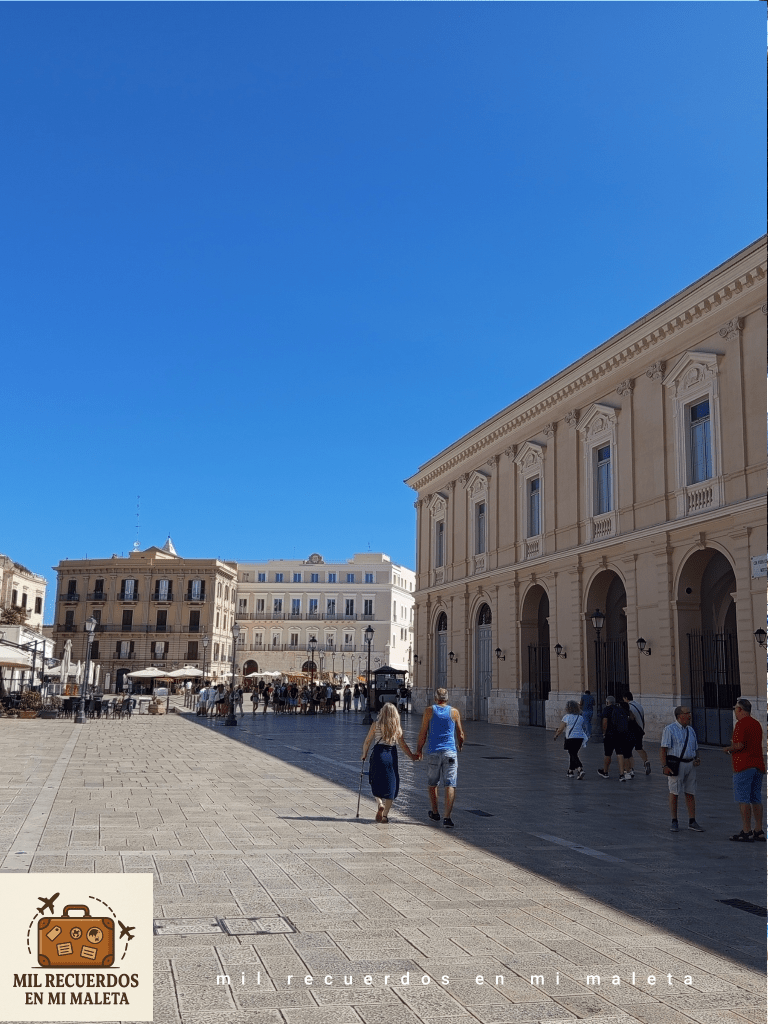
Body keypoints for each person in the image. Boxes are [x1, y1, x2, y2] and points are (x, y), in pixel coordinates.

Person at [416, 687, 465, 828]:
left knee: (433, 783)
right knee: (450, 784)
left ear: (436, 698)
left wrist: (419, 750)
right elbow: (460, 734)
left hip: (434, 752)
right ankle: (447, 817)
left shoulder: (429, 711)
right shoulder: (454, 712)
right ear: (447, 698)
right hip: (450, 752)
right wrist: (460, 745)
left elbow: (423, 733)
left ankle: (435, 812)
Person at [361, 702, 419, 823]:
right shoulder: (397, 728)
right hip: (391, 755)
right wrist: (412, 756)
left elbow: (367, 741)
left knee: (375, 780)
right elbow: (403, 745)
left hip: (378, 754)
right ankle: (385, 815)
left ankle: (379, 803)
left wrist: (364, 754)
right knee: (392, 784)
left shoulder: (375, 725)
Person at [723, 698, 766, 842]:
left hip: (743, 765)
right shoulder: (756, 724)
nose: (735, 711)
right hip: (758, 764)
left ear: (740, 710)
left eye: (735, 709)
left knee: (743, 799)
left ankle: (746, 830)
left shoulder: (741, 724)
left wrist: (728, 749)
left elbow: (739, 745)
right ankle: (758, 830)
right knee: (756, 798)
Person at [660, 706, 703, 832]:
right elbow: (663, 749)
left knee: (691, 792)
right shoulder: (670, 729)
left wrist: (697, 758)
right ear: (680, 716)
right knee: (674, 792)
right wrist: (665, 766)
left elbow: (695, 747)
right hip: (676, 765)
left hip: (690, 764)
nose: (690, 715)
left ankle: (692, 820)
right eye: (687, 713)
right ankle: (674, 820)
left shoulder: (691, 730)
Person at [597, 695, 633, 781]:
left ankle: (605, 772)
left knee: (608, 754)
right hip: (619, 734)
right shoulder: (619, 709)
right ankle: (621, 774)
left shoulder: (607, 709)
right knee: (620, 754)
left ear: (607, 702)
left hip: (610, 735)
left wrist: (604, 733)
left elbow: (605, 722)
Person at [553, 700, 588, 779]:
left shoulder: (567, 717)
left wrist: (556, 735)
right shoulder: (580, 717)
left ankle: (580, 768)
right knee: (573, 753)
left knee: (572, 754)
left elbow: (560, 729)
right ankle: (570, 771)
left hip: (570, 738)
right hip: (579, 738)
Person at [622, 691, 651, 775]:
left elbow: (630, 719)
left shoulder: (629, 707)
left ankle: (630, 769)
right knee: (639, 748)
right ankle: (646, 761)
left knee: (628, 751)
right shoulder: (639, 705)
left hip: (633, 731)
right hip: (640, 730)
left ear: (626, 698)